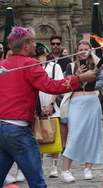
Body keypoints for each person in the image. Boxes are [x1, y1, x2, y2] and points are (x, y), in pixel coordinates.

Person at [0, 26, 97, 188]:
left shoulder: (1, 66)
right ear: (26, 46)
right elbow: (51, 86)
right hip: (17, 129)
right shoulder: (30, 64)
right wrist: (79, 79)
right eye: (34, 42)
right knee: (37, 183)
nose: (36, 46)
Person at [61, 39, 103, 182]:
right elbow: (67, 83)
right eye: (81, 49)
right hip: (76, 101)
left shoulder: (94, 64)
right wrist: (77, 75)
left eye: (86, 49)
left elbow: (102, 66)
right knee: (75, 135)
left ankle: (88, 168)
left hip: (92, 101)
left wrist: (93, 55)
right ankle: (65, 170)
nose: (83, 52)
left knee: (92, 135)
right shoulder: (71, 65)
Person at [35, 45, 64, 178]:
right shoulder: (33, 67)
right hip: (37, 106)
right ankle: (39, 165)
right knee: (39, 136)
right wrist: (38, 107)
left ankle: (54, 165)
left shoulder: (54, 67)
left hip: (52, 106)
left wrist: (51, 104)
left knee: (53, 135)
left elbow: (57, 86)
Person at [49, 35, 72, 152]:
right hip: (49, 92)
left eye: (58, 44)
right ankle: (51, 144)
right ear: (50, 45)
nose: (55, 46)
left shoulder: (67, 60)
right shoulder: (47, 59)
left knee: (63, 120)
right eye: (53, 44)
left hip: (63, 93)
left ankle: (63, 146)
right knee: (51, 120)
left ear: (61, 45)